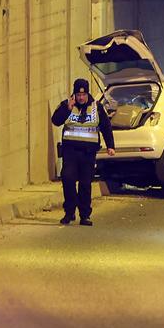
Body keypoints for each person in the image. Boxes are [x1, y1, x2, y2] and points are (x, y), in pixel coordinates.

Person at [51, 79, 114, 226]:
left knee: (85, 184)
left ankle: (85, 215)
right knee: (68, 179)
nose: (81, 98)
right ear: (74, 94)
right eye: (78, 95)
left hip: (88, 153)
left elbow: (106, 126)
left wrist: (111, 145)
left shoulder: (96, 107)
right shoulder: (66, 105)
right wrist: (67, 108)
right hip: (70, 152)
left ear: (87, 93)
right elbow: (56, 121)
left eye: (84, 94)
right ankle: (69, 213)